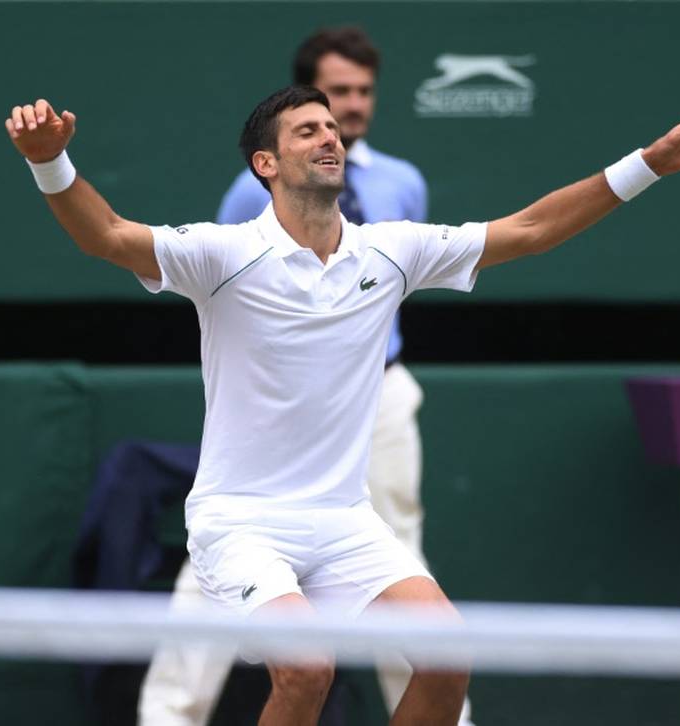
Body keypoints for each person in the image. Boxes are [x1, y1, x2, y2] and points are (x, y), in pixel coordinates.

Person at [4, 84, 680, 725]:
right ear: (267, 164)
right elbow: (103, 236)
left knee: (448, 659)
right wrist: (50, 160)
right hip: (240, 523)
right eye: (307, 130)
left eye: (332, 128)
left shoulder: (392, 251)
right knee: (306, 671)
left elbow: (531, 229)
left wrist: (649, 162)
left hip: (344, 521)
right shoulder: (220, 255)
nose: (330, 136)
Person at [139, 25, 466, 726]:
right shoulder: (244, 204)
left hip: (376, 399)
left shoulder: (402, 184)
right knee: (220, 580)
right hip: (266, 430)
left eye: (359, 93)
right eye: (334, 94)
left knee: (404, 563)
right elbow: (228, 290)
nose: (348, 110)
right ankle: (167, 715)